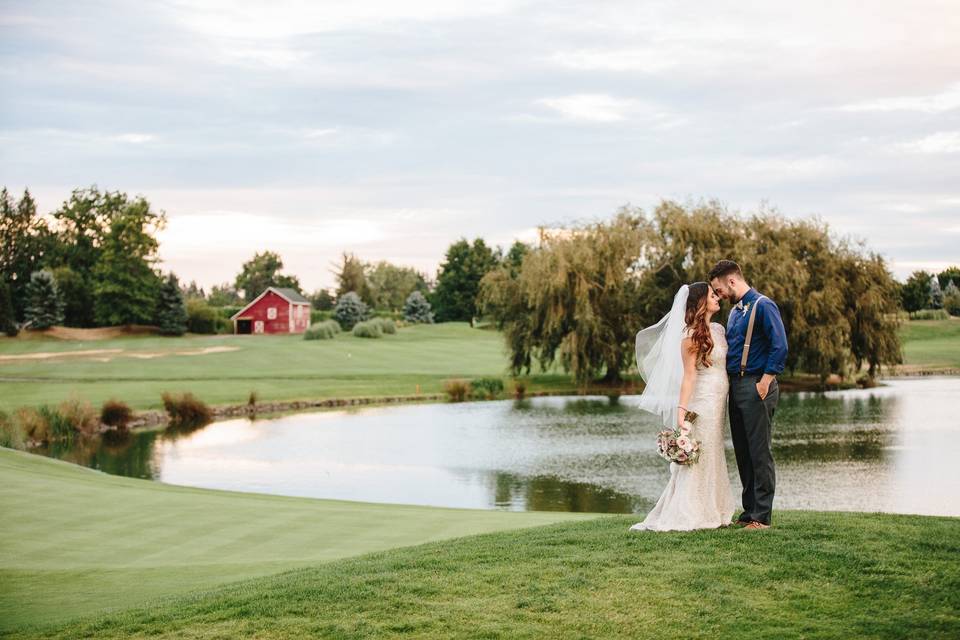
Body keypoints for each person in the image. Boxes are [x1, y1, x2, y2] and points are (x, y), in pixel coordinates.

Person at [629, 282, 736, 532]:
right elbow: (689, 376)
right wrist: (681, 414)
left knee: (714, 451)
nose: (717, 297)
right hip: (703, 401)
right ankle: (692, 511)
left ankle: (715, 508)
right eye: (712, 295)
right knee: (702, 454)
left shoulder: (718, 330)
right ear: (701, 303)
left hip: (720, 400)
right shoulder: (689, 336)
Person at [708, 259, 788, 530]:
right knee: (743, 452)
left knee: (759, 452)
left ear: (731, 281)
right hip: (735, 387)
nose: (718, 295)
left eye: (719, 290)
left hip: (757, 385)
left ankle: (762, 517)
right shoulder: (734, 313)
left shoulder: (764, 306)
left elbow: (780, 346)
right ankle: (749, 511)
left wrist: (765, 381)